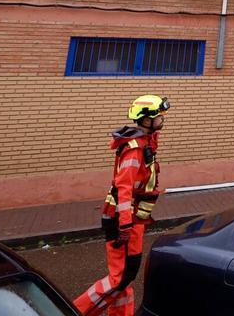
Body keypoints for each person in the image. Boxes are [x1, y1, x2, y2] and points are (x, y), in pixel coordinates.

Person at [73, 95, 169, 316]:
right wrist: (125, 224)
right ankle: (72, 311)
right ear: (146, 120)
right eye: (159, 116)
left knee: (127, 277)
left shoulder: (146, 143)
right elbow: (123, 188)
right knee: (119, 278)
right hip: (123, 220)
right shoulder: (135, 148)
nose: (163, 120)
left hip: (134, 220)